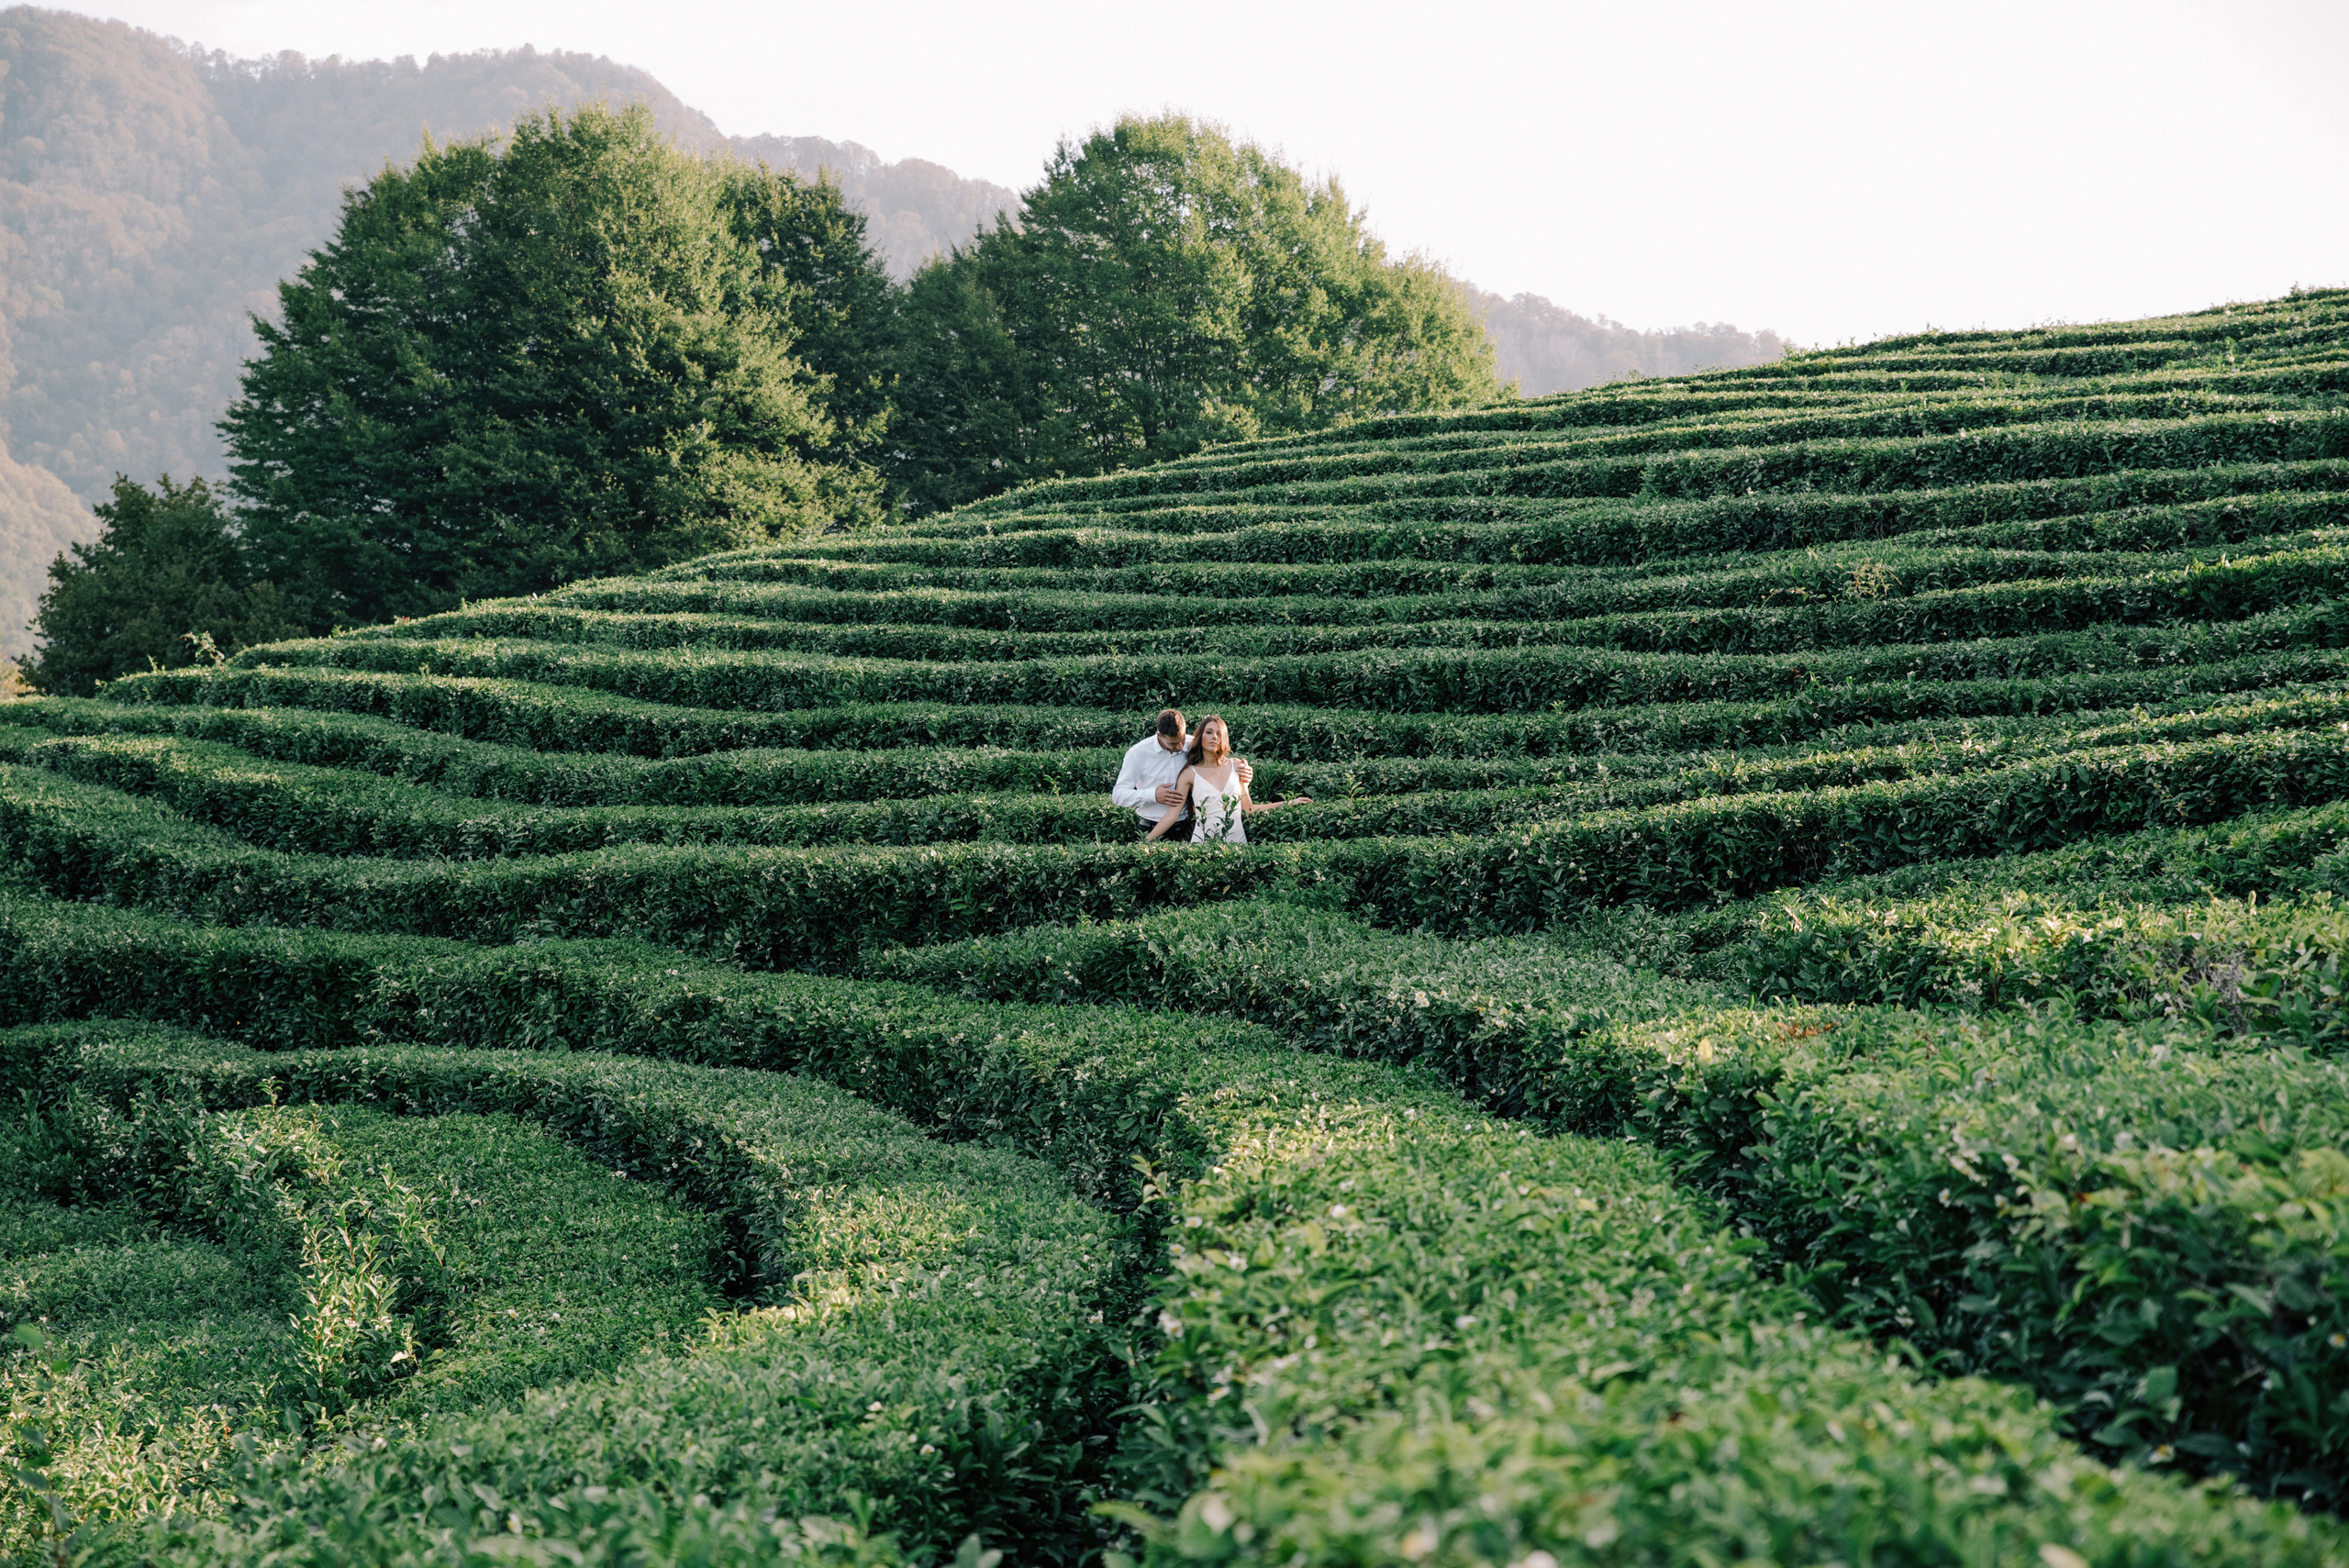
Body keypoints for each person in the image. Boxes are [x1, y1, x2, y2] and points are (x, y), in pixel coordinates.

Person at [1144, 716, 1309, 843]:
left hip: (1237, 844)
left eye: (1219, 734)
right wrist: (1145, 842)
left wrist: (1290, 803)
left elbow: (1249, 809)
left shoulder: (1237, 766)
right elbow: (1172, 815)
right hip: (1202, 845)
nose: (1214, 737)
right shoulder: (1189, 774)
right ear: (1200, 736)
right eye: (1209, 732)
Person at [1113, 708, 1252, 839]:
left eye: (1182, 740)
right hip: (1151, 826)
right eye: (1174, 744)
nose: (1181, 747)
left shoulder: (1195, 743)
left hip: (1187, 826)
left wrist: (1242, 771)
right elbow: (1118, 795)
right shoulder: (1138, 753)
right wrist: (1153, 795)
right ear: (1159, 736)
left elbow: (1218, 763)